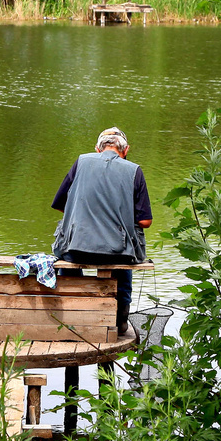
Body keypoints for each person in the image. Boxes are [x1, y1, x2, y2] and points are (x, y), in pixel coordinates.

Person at [51, 127, 152, 336]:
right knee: (126, 256)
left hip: (76, 249)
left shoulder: (81, 162)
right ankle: (120, 320)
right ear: (126, 150)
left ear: (97, 149)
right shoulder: (134, 170)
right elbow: (145, 221)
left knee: (67, 252)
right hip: (118, 252)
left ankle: (72, 311)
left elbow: (60, 204)